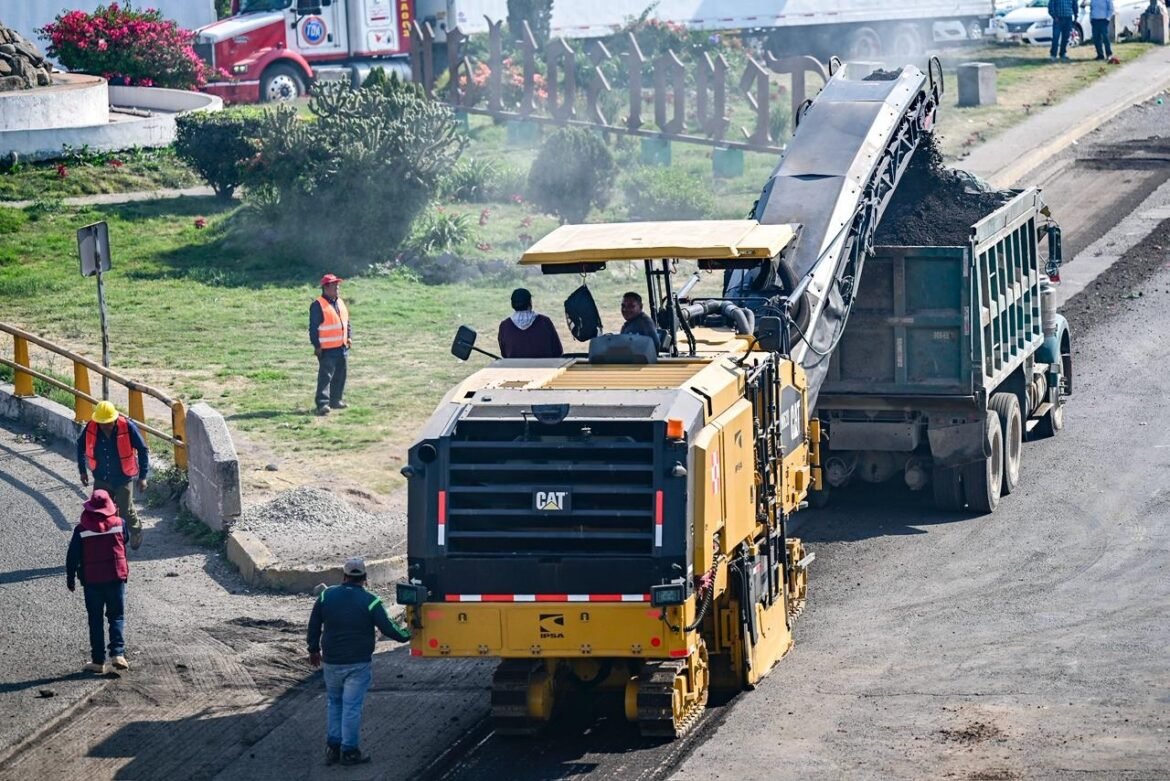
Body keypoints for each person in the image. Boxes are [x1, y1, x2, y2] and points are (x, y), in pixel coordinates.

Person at [307, 557, 410, 767]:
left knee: (334, 703)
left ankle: (333, 748)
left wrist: (313, 649)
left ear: (344, 576)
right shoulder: (370, 601)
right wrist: (408, 634)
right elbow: (389, 628)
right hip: (358, 664)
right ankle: (350, 751)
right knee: (351, 707)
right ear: (364, 578)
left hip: (331, 662)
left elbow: (314, 624)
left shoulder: (326, 596)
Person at [66, 489, 131, 674]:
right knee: (116, 616)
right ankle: (117, 654)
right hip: (115, 577)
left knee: (95, 620)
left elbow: (72, 556)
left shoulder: (81, 530)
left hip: (92, 580)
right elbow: (125, 540)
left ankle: (98, 661)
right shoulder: (120, 524)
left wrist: (70, 578)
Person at [76, 400, 148, 551]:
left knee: (125, 510)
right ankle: (108, 539)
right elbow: (80, 446)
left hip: (123, 478)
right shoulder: (91, 427)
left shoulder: (128, 427)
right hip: (101, 477)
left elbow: (142, 449)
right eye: (102, 424)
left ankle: (136, 530)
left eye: (108, 423)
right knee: (100, 510)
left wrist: (143, 477)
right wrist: (82, 471)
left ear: (114, 419)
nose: (105, 426)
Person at [309, 273, 351, 417]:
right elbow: (313, 328)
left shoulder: (340, 302)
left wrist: (349, 337)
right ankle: (322, 404)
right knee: (325, 377)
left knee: (340, 375)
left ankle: (336, 400)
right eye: (334, 286)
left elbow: (346, 322)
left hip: (342, 347)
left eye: (337, 286)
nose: (337, 289)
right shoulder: (317, 305)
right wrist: (317, 346)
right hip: (327, 349)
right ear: (326, 288)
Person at [497, 288, 563, 358]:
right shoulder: (545, 322)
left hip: (515, 365)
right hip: (544, 364)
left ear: (512, 305)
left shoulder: (505, 326)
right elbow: (557, 351)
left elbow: (504, 353)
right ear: (530, 302)